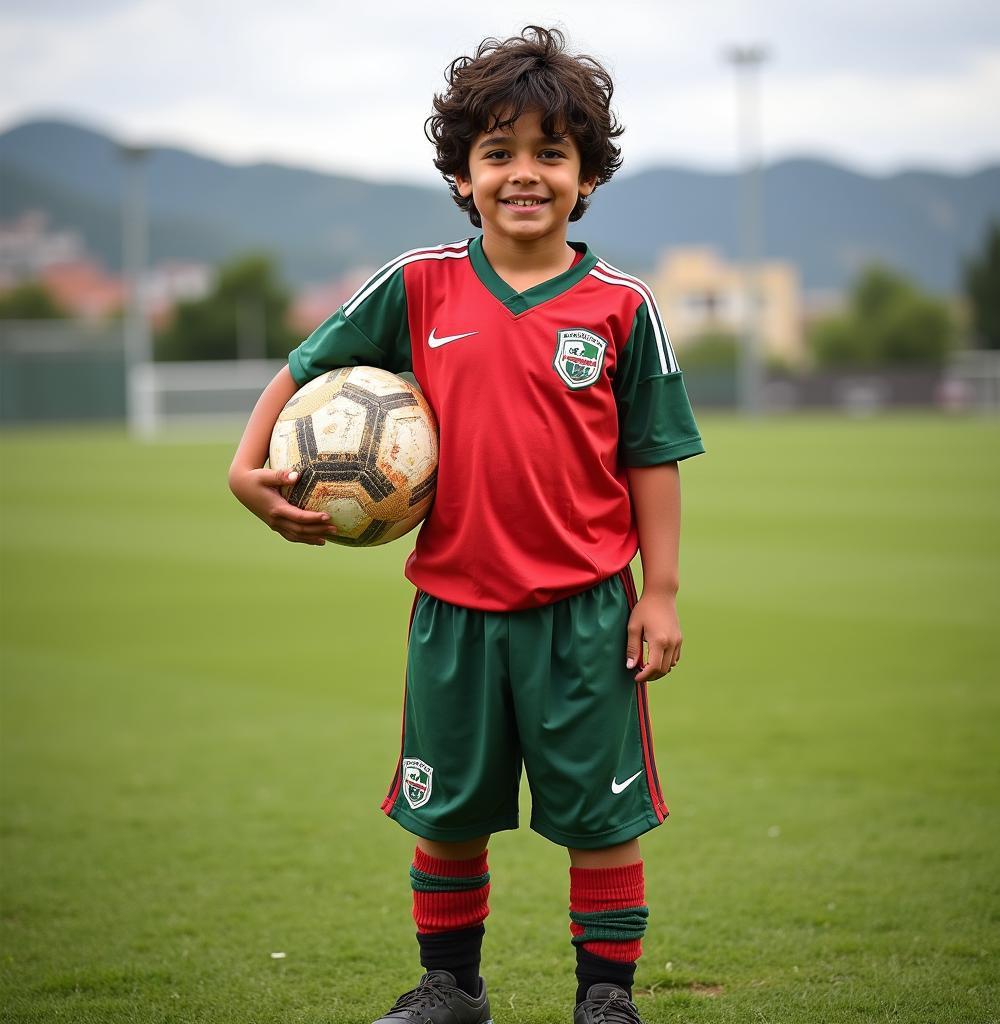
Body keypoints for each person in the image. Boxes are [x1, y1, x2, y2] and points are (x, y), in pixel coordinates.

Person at [228, 25, 704, 1024]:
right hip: (453, 609)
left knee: (600, 818)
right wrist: (247, 460)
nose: (522, 174)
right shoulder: (419, 282)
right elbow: (306, 363)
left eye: (549, 153)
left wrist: (658, 593)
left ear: (585, 178)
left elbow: (652, 453)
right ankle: (452, 987)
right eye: (498, 153)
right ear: (461, 175)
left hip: (583, 614)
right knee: (444, 813)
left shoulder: (622, 306)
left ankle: (604, 1000)